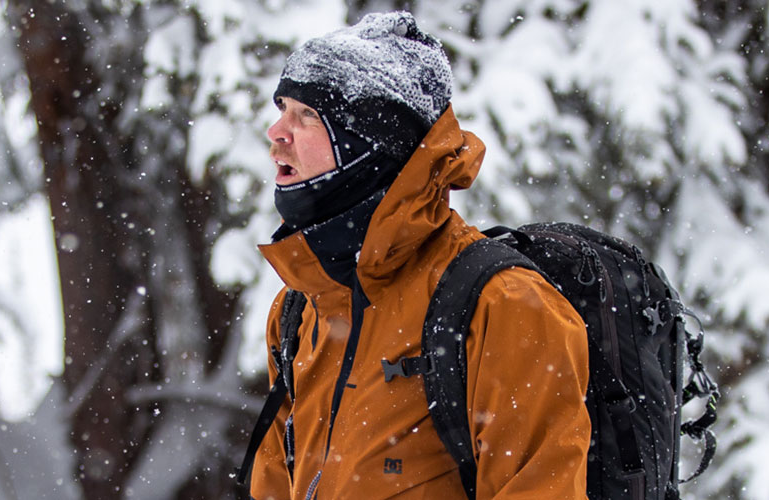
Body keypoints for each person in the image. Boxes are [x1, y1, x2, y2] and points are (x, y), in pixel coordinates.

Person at [252, 11, 590, 500]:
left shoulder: (502, 304)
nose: (276, 131)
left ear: (371, 141)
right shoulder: (300, 309)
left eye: (306, 114)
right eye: (282, 107)